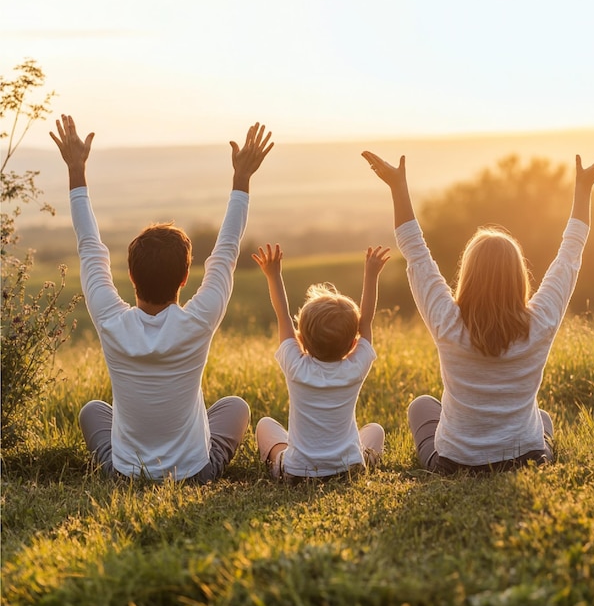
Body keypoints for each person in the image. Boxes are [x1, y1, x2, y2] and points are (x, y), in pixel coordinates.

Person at [362, 147, 594, 474]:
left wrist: (398, 188)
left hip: (455, 463)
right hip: (526, 459)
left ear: (468, 276)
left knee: (421, 406)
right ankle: (535, 449)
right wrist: (583, 191)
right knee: (543, 420)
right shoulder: (540, 322)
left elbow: (416, 253)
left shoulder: (447, 322)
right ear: (518, 277)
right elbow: (570, 255)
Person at [50, 115, 274, 482]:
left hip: (125, 473)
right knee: (236, 407)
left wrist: (76, 169)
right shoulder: (198, 321)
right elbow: (227, 251)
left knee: (93, 410)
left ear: (131, 278)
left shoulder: (110, 319)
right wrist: (241, 179)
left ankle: (126, 464)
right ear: (185, 278)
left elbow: (89, 247)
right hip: (194, 474)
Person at [253, 243, 390, 481]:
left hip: (297, 473)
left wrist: (273, 275)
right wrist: (371, 275)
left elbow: (282, 315)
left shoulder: (296, 367)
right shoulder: (355, 368)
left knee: (265, 425)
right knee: (375, 430)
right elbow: (366, 321)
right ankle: (362, 459)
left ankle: (278, 462)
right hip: (349, 470)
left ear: (301, 339)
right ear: (352, 343)